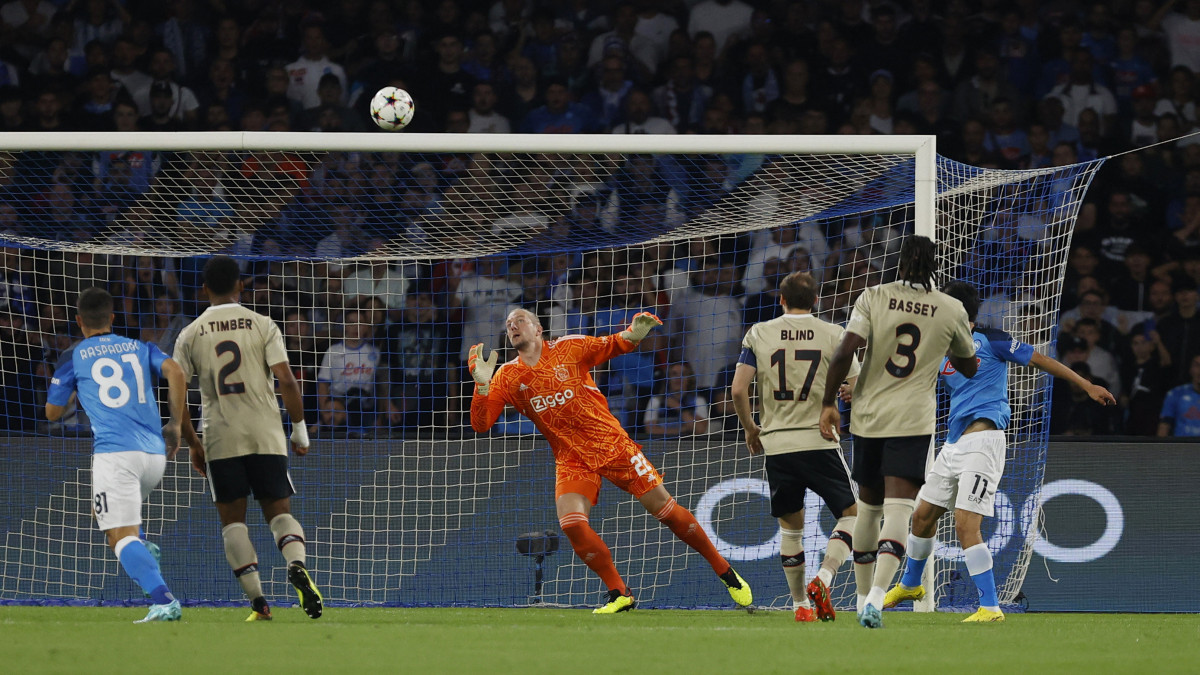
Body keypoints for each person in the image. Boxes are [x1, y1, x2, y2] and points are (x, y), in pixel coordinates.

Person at [468, 308, 752, 613]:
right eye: (508, 323)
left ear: (538, 329)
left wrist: (634, 334)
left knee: (666, 511)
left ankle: (726, 572)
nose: (512, 325)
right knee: (572, 524)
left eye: (519, 321)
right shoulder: (508, 376)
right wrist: (482, 386)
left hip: (613, 445)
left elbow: (612, 344)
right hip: (572, 458)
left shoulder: (569, 348)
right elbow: (481, 423)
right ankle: (619, 592)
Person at [883, 282, 1115, 622]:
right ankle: (910, 584)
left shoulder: (993, 339)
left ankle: (990, 607)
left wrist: (1087, 385)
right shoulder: (940, 348)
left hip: (984, 442)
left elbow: (1042, 361)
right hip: (954, 443)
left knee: (965, 526)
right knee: (922, 517)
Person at [818, 235, 978, 629]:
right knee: (900, 510)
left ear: (901, 263)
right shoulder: (951, 308)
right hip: (913, 419)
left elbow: (845, 351)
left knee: (868, 509)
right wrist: (948, 345)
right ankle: (877, 598)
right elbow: (970, 365)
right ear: (934, 265)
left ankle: (859, 598)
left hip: (869, 415)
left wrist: (827, 403)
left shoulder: (874, 296)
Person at [173, 255, 322, 622]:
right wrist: (299, 430)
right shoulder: (263, 324)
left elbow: (177, 398)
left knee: (233, 523)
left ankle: (259, 603)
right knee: (278, 512)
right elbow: (287, 380)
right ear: (241, 285)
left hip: (221, 436)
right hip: (266, 432)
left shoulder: (189, 334)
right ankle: (296, 564)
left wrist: (194, 443)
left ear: (204, 289)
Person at [44, 287, 186, 623]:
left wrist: (78, 390)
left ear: (79, 321)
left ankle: (164, 600)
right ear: (112, 318)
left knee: (118, 536)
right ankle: (143, 548)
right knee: (110, 521)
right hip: (154, 455)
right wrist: (176, 424)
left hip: (116, 454)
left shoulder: (72, 356)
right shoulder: (140, 347)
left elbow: (52, 412)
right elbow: (176, 372)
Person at [731, 271, 860, 623]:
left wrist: (750, 429)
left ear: (781, 300)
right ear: (816, 300)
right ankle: (825, 577)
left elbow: (739, 390)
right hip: (818, 440)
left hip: (777, 445)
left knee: (791, 528)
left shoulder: (759, 333)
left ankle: (800, 606)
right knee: (853, 517)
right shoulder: (836, 334)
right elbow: (856, 385)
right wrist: (846, 393)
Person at [1158, 354, 1200, 437]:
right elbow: (1164, 426)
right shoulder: (1175, 394)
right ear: (1191, 370)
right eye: (1197, 366)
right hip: (1182, 447)